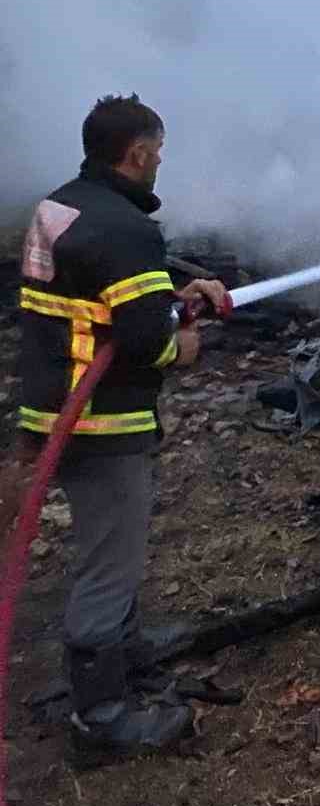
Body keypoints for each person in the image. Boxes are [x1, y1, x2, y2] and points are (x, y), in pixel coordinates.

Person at [12, 94, 227, 766]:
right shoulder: (127, 228)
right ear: (135, 154)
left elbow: (104, 300)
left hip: (54, 408)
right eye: (157, 151)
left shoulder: (61, 207)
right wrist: (180, 346)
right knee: (112, 561)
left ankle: (127, 656)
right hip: (102, 421)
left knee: (109, 547)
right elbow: (141, 342)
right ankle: (101, 716)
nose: (160, 162)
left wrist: (176, 299)